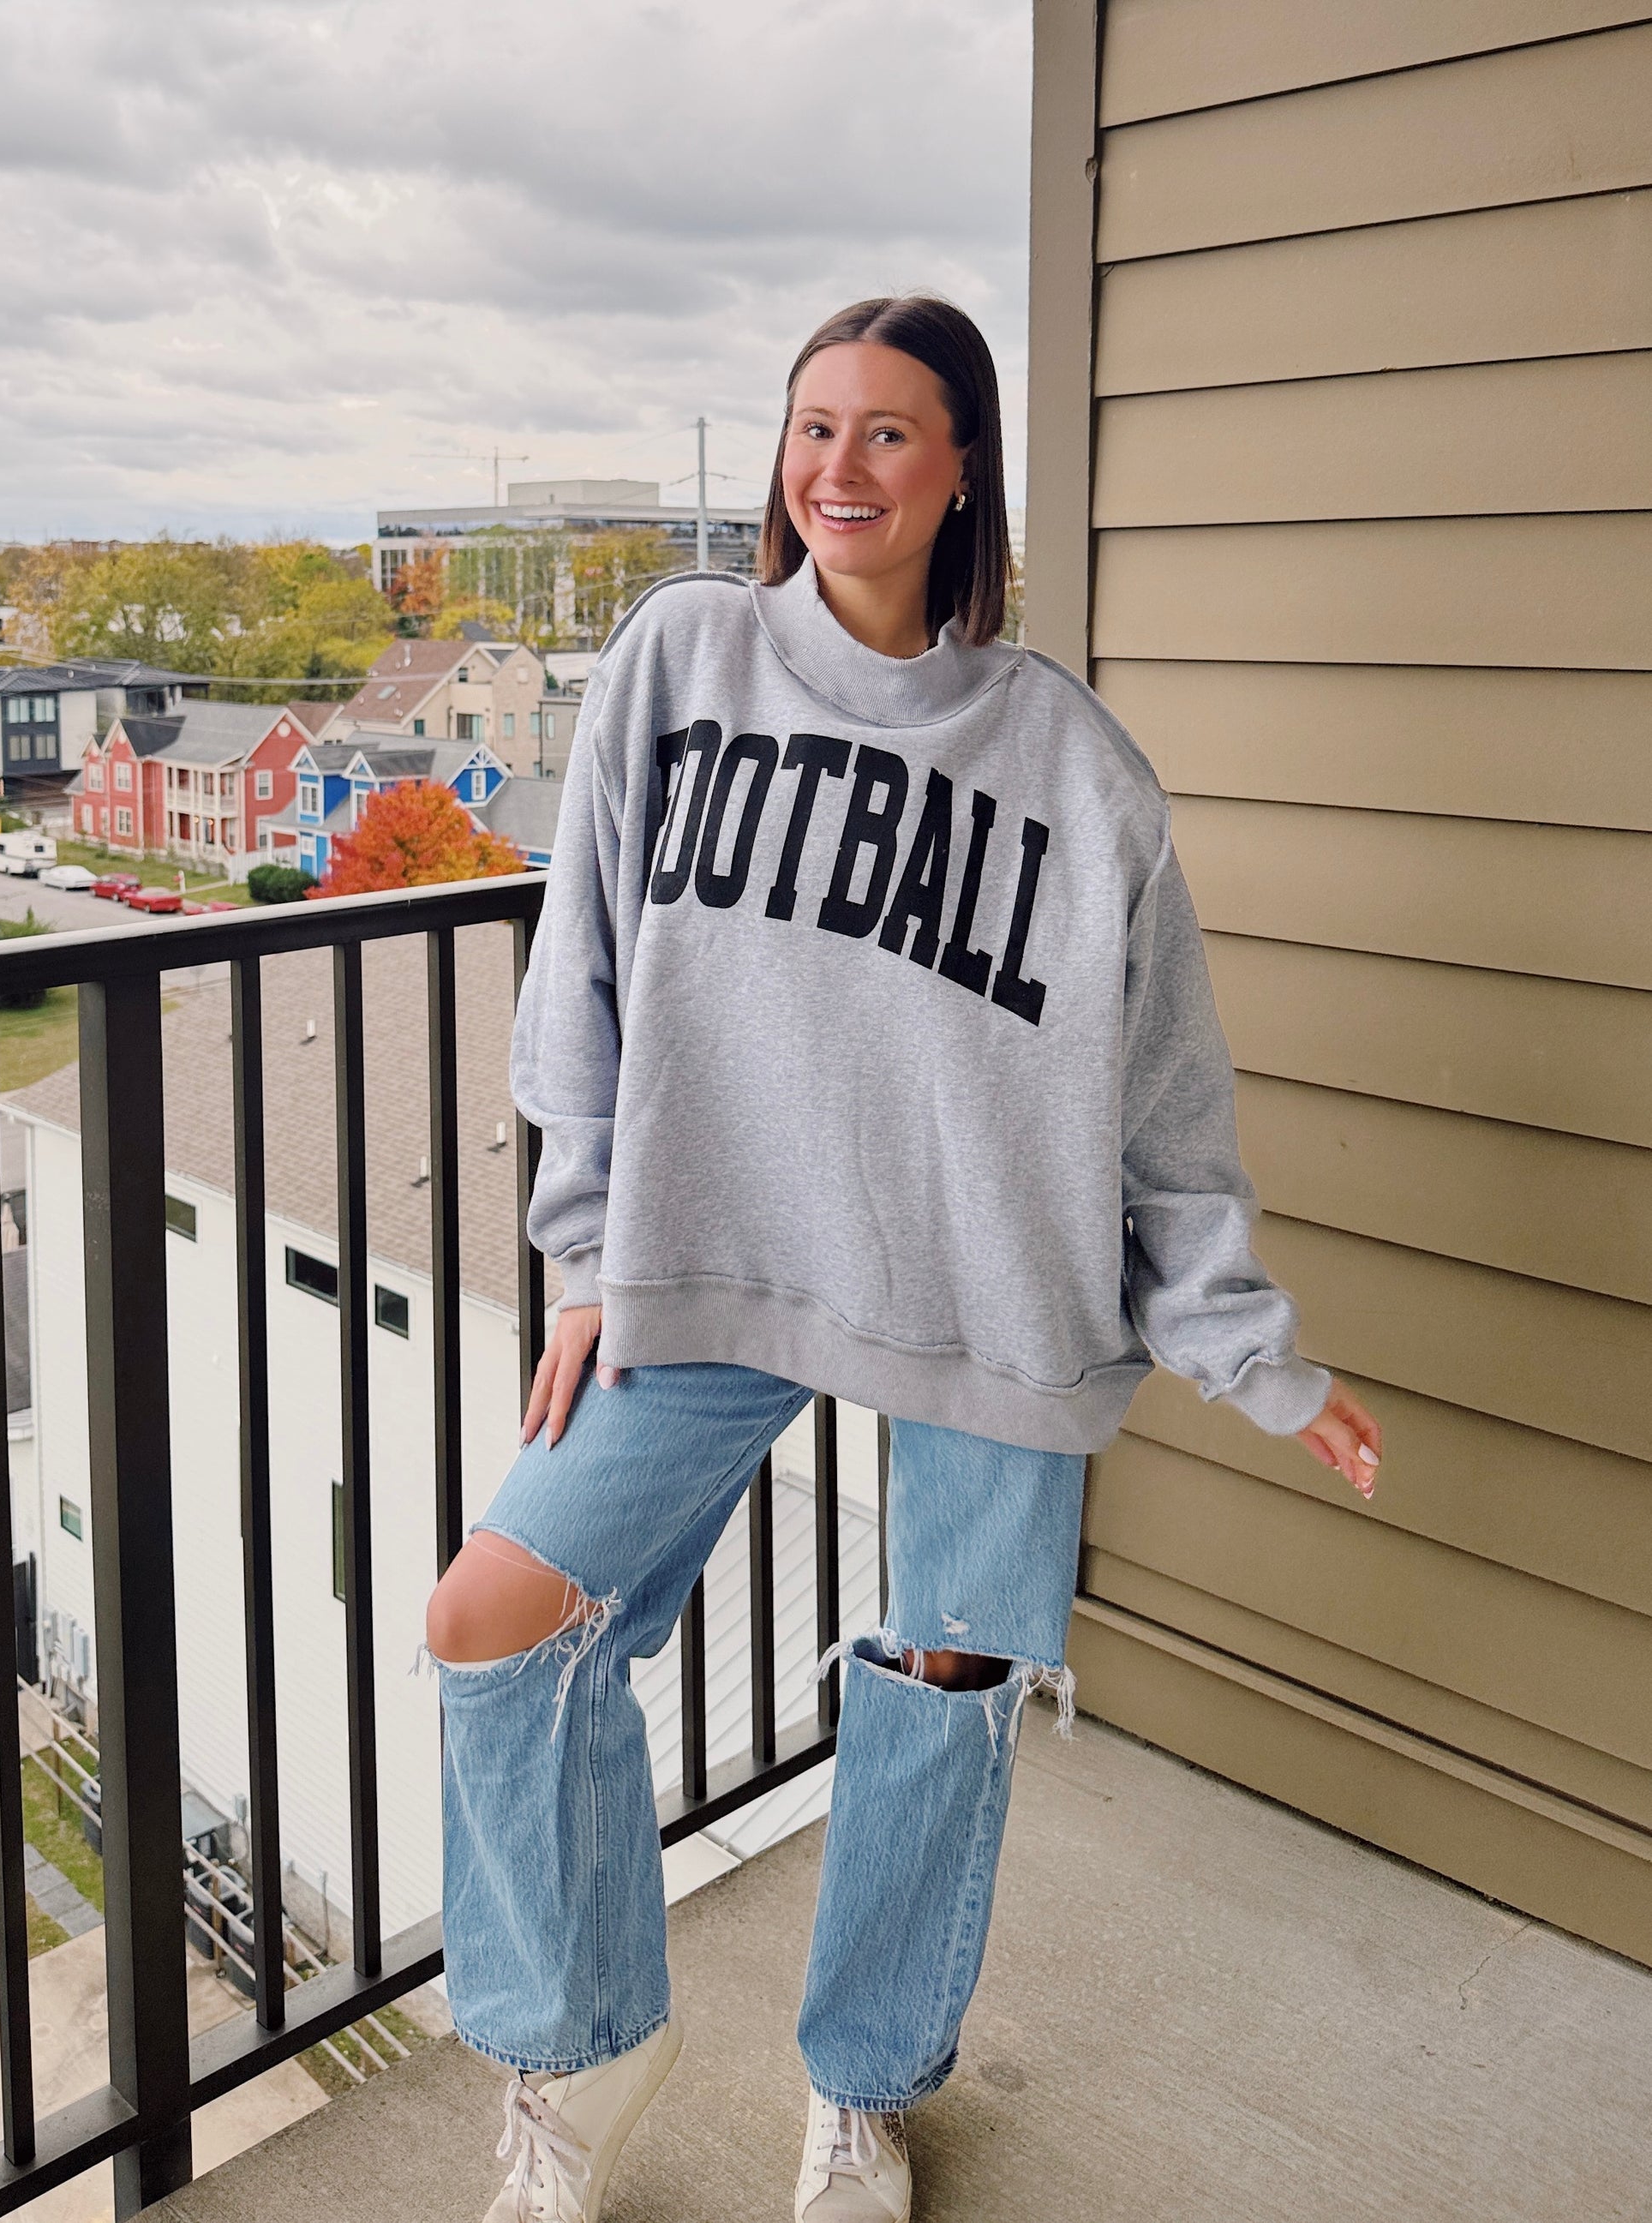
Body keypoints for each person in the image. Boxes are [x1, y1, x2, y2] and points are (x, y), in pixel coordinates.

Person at [424, 295, 1383, 2223]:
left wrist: (1250, 1352)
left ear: (961, 470)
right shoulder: (679, 657)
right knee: (495, 1618)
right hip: (711, 1251)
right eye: (812, 426)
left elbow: (1161, 1100)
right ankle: (582, 2044)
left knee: (938, 1696)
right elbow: (578, 967)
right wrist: (590, 1253)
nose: (836, 467)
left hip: (992, 1296)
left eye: (885, 432)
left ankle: (859, 2093)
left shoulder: (1076, 766)